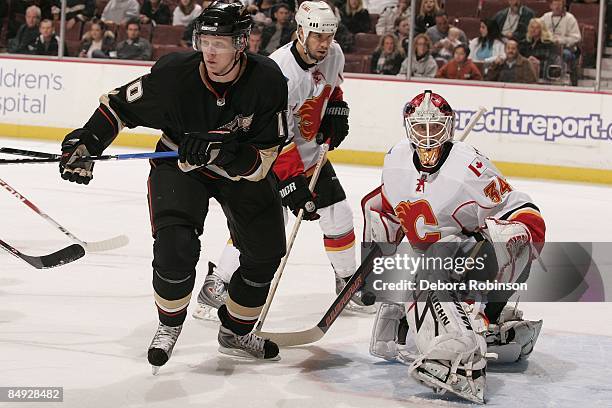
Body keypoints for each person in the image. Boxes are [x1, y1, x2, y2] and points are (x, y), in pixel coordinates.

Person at [58, 1, 289, 369]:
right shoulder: (174, 74)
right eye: (205, 40)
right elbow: (119, 106)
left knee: (266, 254)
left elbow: (263, 160)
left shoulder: (267, 81)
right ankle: (169, 325)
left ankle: (235, 332)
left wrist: (221, 150)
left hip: (241, 174)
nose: (210, 51)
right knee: (174, 247)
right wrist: (88, 142)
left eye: (221, 42)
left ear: (242, 43)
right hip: (180, 165)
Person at [363, 90, 545, 403]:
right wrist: (374, 271)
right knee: (402, 337)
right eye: (421, 128)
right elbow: (379, 205)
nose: (429, 137)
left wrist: (515, 238)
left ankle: (465, 357)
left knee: (436, 260)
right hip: (438, 266)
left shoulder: (470, 169)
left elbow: (525, 213)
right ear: (408, 128)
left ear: (450, 127)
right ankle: (497, 334)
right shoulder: (396, 160)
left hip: (479, 260)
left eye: (436, 128)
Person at [193, 1, 370, 323]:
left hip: (309, 152)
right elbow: (271, 135)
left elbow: (332, 90)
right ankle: (217, 283)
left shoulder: (334, 54)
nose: (325, 44)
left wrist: (336, 112)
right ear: (300, 32)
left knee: (337, 212)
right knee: (266, 228)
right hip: (269, 156)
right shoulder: (279, 72)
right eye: (318, 36)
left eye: (329, 36)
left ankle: (348, 283)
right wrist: (291, 181)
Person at [541, 0, 581, 85]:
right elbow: (537, 29)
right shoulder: (545, 17)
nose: (557, 7)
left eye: (560, 4)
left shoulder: (570, 18)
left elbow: (577, 38)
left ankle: (561, 80)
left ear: (564, 6)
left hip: (566, 49)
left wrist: (561, 41)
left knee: (564, 54)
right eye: (555, 4)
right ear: (550, 6)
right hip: (547, 47)